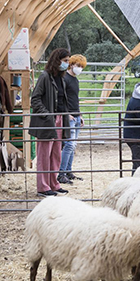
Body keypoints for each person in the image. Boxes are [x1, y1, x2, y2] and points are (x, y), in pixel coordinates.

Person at [31, 48, 71, 198]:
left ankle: (54, 183)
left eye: (68, 61)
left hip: (59, 118)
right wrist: (46, 115)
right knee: (44, 154)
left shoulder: (61, 78)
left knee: (56, 154)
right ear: (57, 60)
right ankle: (42, 186)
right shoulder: (45, 77)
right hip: (47, 121)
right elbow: (35, 98)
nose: (67, 64)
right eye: (65, 61)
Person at [58, 54, 86, 184]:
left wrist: (79, 115)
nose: (79, 68)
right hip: (68, 116)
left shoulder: (75, 80)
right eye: (78, 65)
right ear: (71, 64)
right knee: (69, 144)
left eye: (81, 67)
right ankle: (61, 173)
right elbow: (61, 98)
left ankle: (68, 171)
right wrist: (66, 113)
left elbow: (75, 99)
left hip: (75, 115)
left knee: (72, 146)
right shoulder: (65, 78)